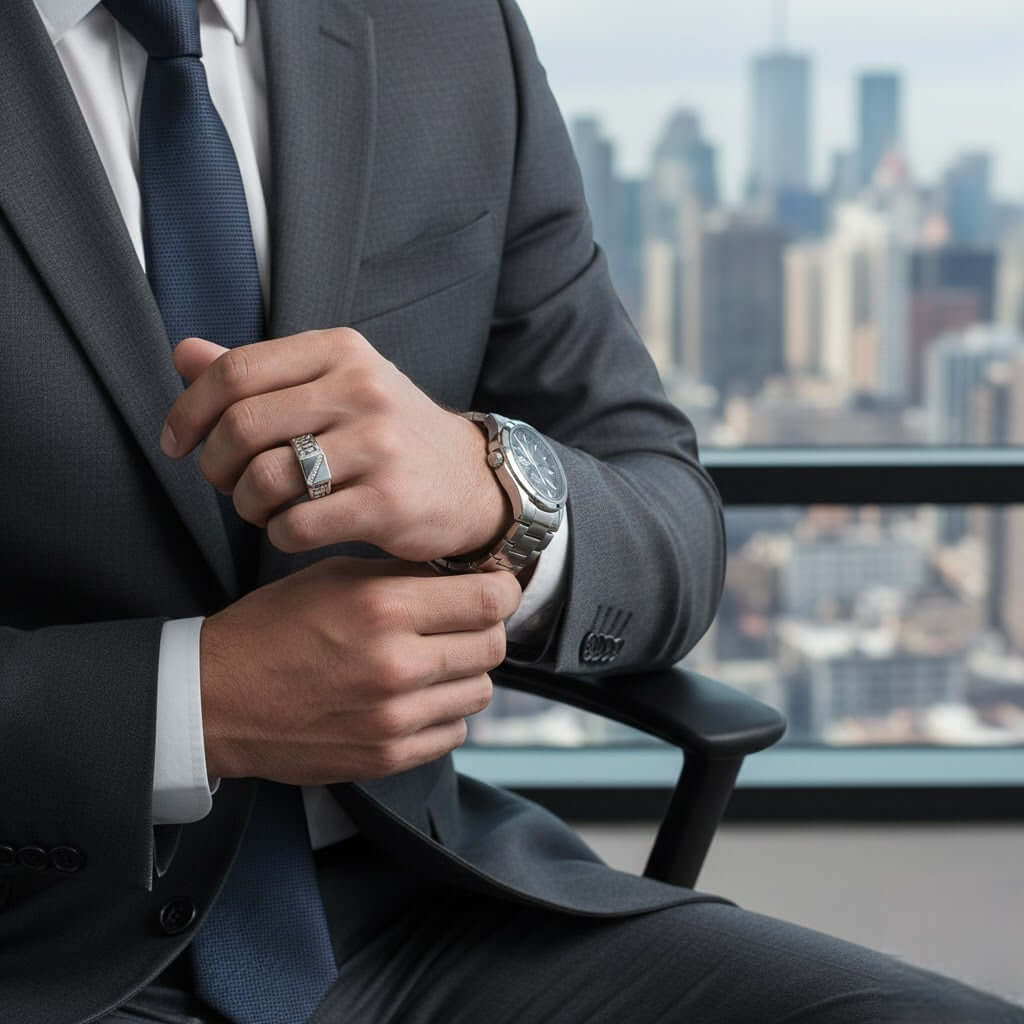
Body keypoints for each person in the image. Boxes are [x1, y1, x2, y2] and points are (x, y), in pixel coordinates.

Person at [1, 0, 1021, 1021]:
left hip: (437, 904)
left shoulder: (443, 29)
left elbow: (670, 523)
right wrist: (191, 709)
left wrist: (494, 485)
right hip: (39, 941)